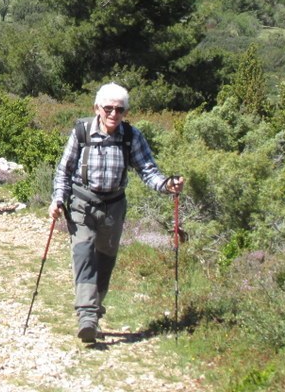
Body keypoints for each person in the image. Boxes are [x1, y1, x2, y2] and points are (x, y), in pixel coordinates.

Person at [49, 82, 184, 344]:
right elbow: (63, 171)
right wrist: (57, 199)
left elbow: (147, 170)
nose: (113, 114)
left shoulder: (131, 136)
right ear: (97, 108)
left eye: (119, 109)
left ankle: (94, 310)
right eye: (108, 108)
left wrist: (167, 185)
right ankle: (87, 316)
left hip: (114, 205)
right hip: (81, 204)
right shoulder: (81, 132)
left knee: (105, 262)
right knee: (83, 255)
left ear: (124, 111)